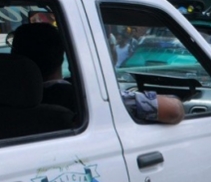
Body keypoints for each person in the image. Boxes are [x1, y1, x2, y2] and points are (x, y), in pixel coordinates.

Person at [11, 22, 184, 124]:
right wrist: (175, 99)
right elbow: (173, 110)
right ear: (64, 54)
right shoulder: (85, 97)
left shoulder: (0, 105)